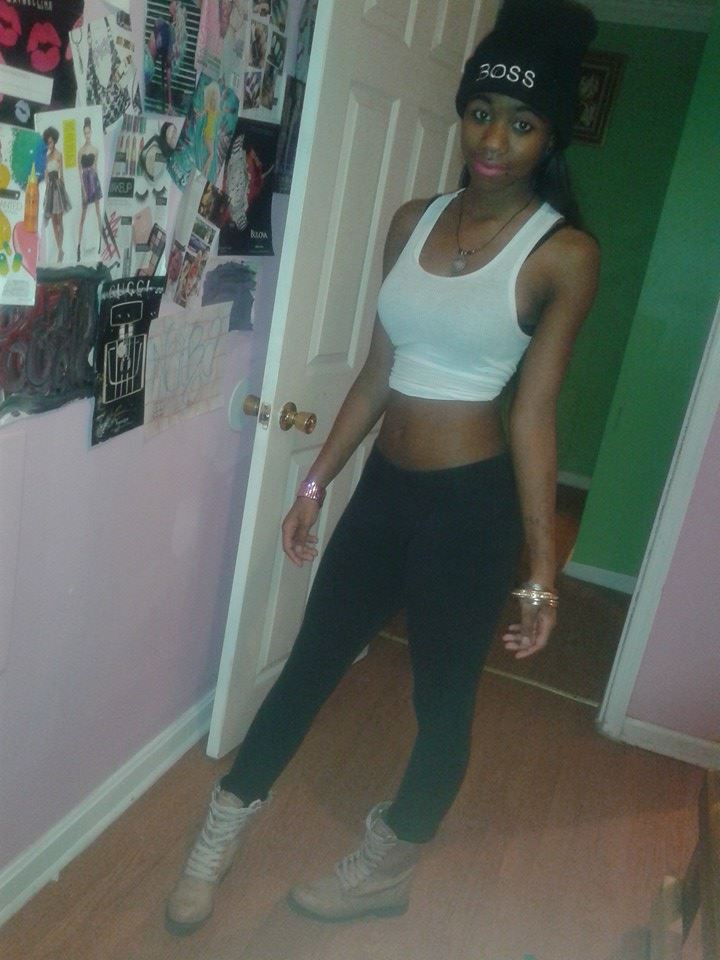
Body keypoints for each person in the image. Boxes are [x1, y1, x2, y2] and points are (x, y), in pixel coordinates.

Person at [165, 0, 600, 935]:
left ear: (551, 137)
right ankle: (223, 824)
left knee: (441, 703)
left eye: (522, 124)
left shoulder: (562, 254)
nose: (493, 140)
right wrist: (314, 483)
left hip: (470, 512)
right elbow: (375, 371)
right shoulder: (414, 219)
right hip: (385, 495)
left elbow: (534, 415)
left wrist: (540, 574)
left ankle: (389, 865)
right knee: (310, 664)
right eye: (481, 112)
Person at [42, 127, 71, 264]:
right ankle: (60, 250)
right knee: (54, 221)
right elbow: (46, 176)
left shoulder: (59, 155)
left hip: (58, 188)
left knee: (60, 220)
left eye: (51, 142)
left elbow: (62, 174)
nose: (49, 145)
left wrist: (63, 191)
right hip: (50, 189)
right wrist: (46, 188)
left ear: (54, 141)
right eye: (48, 143)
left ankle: (60, 249)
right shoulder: (46, 158)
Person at [77, 118, 103, 260]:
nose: (87, 135)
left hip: (94, 180)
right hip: (85, 183)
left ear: (91, 132)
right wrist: (83, 189)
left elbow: (96, 168)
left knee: (98, 212)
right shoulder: (80, 151)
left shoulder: (95, 150)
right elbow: (80, 172)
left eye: (89, 132)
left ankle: (100, 243)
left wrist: (98, 186)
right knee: (83, 215)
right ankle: (78, 247)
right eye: (85, 133)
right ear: (83, 133)